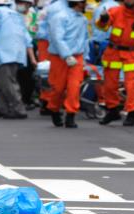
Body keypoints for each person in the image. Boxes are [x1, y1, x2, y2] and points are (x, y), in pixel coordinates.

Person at [96, 0, 134, 126]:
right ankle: (112, 110)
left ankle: (131, 112)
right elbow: (102, 27)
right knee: (109, 85)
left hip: (132, 53)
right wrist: (103, 19)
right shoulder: (115, 11)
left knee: (131, 85)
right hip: (113, 52)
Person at [0, 0, 37, 119]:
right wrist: (32, 59)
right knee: (1, 81)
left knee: (7, 83)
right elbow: (27, 39)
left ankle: (18, 109)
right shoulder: (16, 15)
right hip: (16, 54)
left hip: (4, 53)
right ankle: (3, 108)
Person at [47, 0, 88, 128]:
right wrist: (66, 55)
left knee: (74, 87)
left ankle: (71, 114)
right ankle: (54, 109)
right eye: (83, 2)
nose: (85, 4)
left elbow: (85, 38)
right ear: (78, 3)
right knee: (58, 87)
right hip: (59, 57)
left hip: (77, 57)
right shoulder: (59, 17)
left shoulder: (82, 19)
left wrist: (85, 57)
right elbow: (57, 38)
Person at [16, 0, 39, 109]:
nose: (20, 5)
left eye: (23, 3)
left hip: (30, 47)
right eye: (18, 2)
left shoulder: (33, 15)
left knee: (29, 75)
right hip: (16, 47)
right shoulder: (13, 13)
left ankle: (26, 99)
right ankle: (19, 99)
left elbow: (33, 33)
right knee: (18, 74)